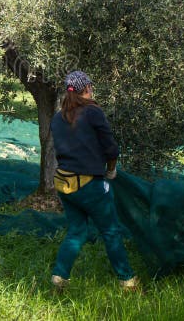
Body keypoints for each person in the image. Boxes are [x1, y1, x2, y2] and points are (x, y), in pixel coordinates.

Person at [49, 70, 139, 293]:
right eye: (91, 86)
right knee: (110, 232)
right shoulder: (92, 112)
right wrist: (111, 170)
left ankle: (59, 278)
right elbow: (111, 149)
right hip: (89, 184)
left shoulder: (57, 118)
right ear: (87, 88)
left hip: (64, 184)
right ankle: (127, 281)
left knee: (76, 232)